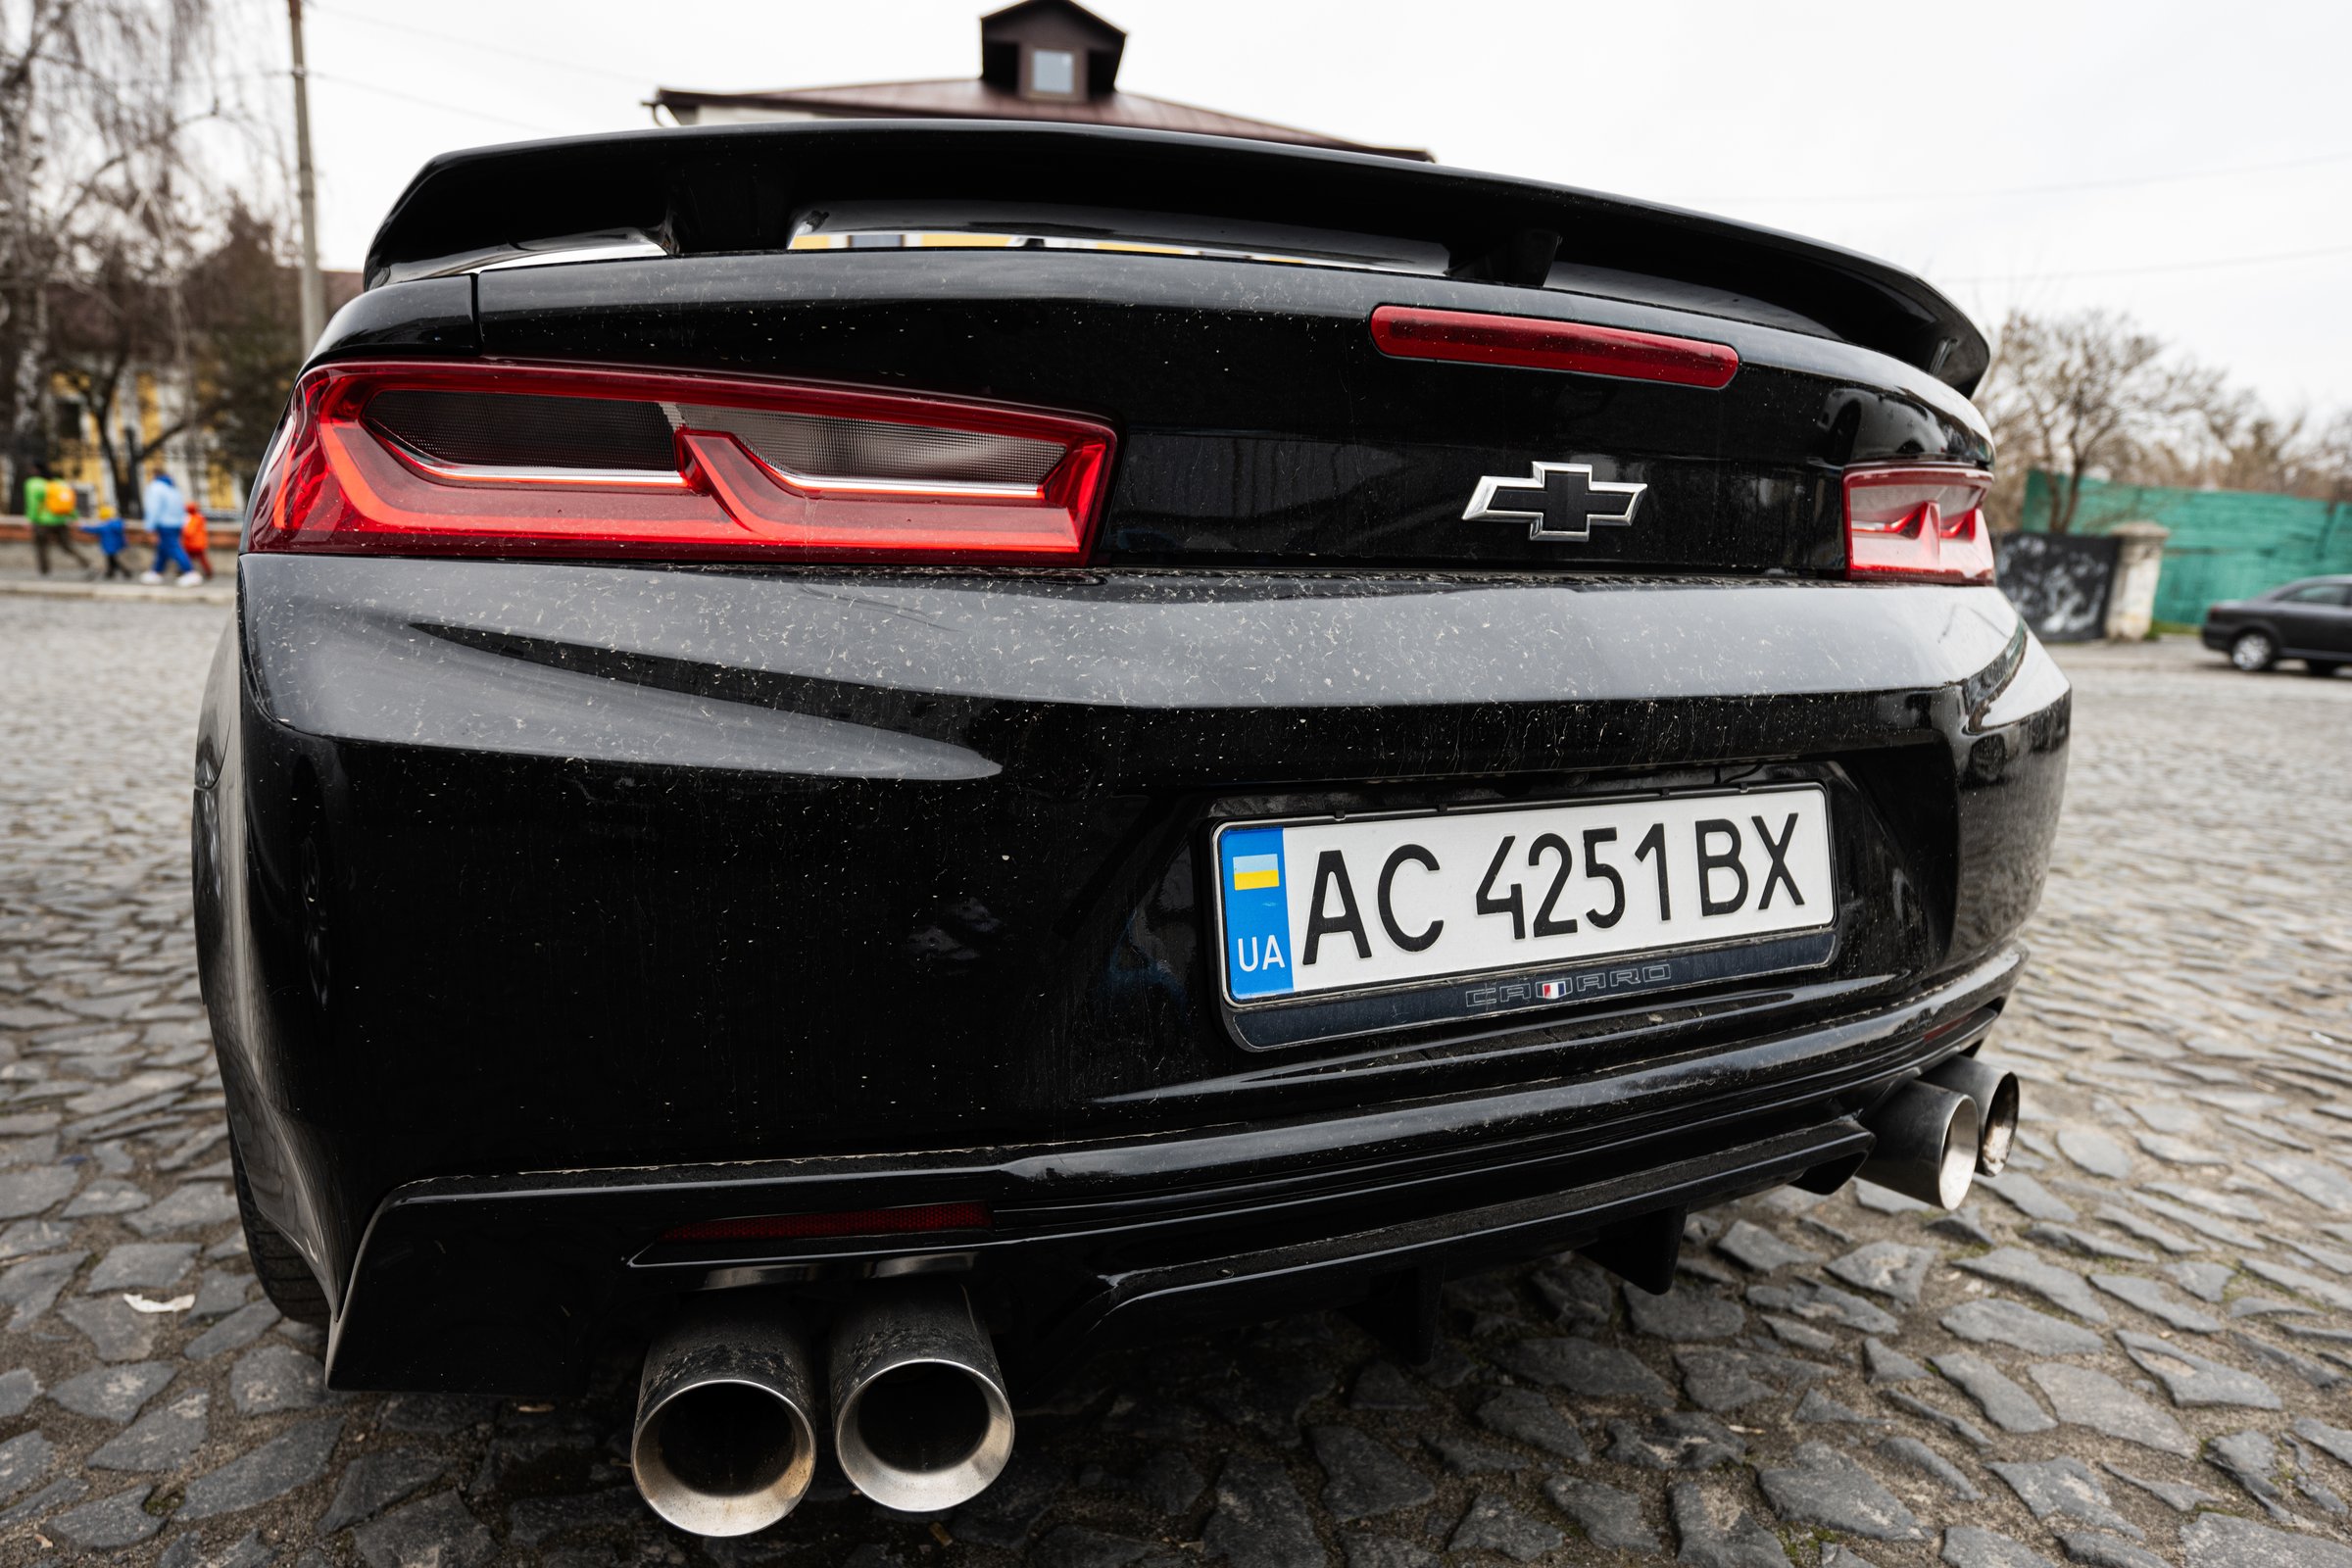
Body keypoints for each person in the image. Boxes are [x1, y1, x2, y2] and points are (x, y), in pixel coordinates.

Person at [138, 467, 199, 586]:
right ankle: (156, 572)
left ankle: (190, 572)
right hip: (176, 523)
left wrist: (149, 527)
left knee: (174, 548)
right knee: (163, 548)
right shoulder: (173, 488)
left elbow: (153, 509)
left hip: (164, 523)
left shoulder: (155, 488)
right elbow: (181, 507)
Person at [24, 470, 89, 576]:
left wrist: (31, 519)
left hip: (43, 521)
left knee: (41, 546)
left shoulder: (40, 486)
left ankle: (44, 571)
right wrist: (74, 517)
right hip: (61, 520)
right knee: (67, 546)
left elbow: (34, 504)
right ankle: (86, 563)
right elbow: (69, 504)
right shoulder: (62, 486)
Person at [80, 502, 132, 579]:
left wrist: (83, 527)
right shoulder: (117, 523)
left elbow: (94, 529)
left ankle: (123, 572)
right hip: (117, 545)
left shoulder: (105, 526)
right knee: (112, 560)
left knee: (112, 560)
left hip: (109, 546)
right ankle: (111, 573)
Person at [181, 500, 213, 581]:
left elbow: (189, 531)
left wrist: (182, 531)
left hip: (193, 544)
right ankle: (208, 572)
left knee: (187, 558)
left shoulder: (192, 519)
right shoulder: (199, 517)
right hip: (198, 543)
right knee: (201, 559)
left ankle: (185, 571)